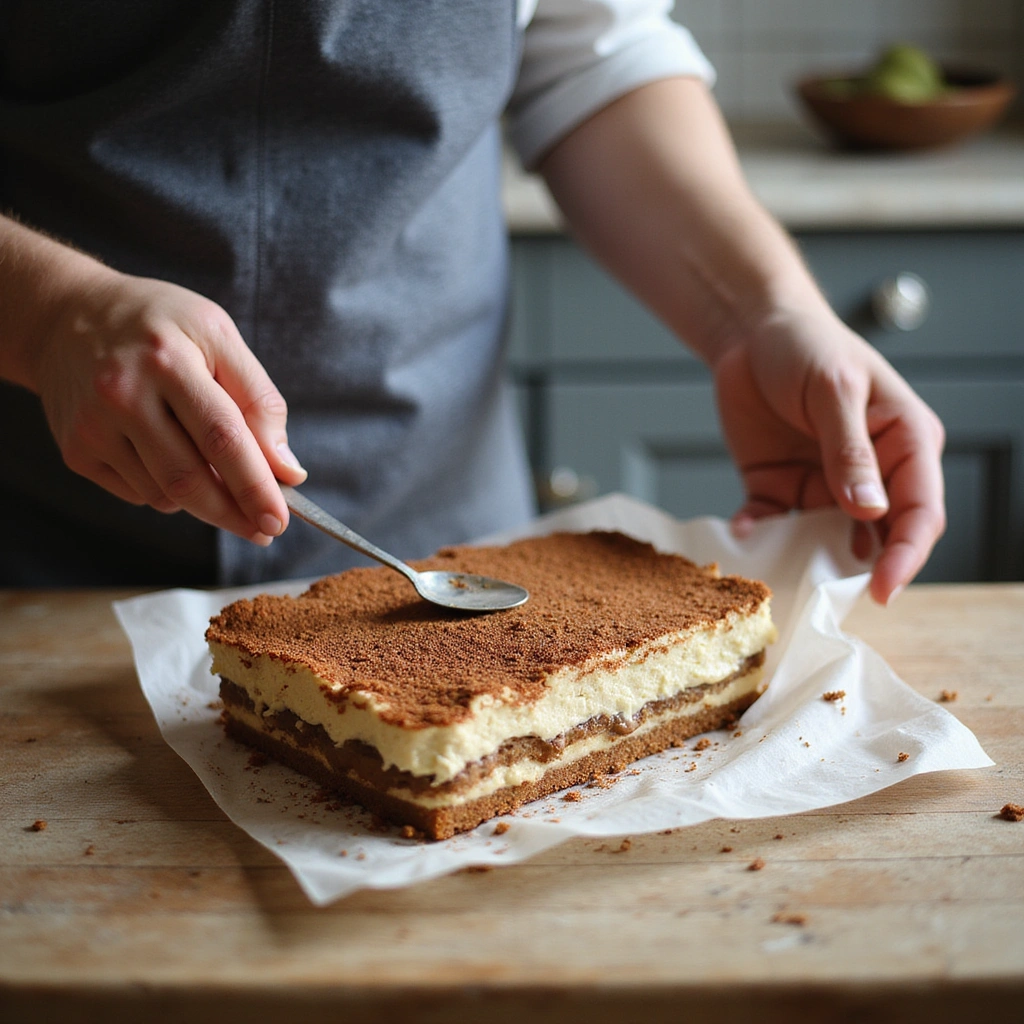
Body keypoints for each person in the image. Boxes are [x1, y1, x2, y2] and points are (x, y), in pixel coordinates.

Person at [0, 1, 944, 603]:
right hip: (33, 552)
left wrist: (764, 314)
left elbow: (589, 54)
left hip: (439, 516)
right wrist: (46, 314)